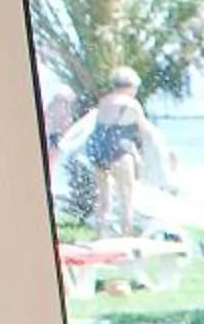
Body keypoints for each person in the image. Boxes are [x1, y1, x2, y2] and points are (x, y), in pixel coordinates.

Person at [63, 68, 165, 239]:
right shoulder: (131, 103)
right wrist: (157, 156)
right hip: (119, 152)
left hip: (98, 152)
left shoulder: (104, 102)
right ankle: (126, 234)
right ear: (131, 86)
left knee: (103, 198)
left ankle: (99, 234)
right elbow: (145, 131)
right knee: (126, 196)